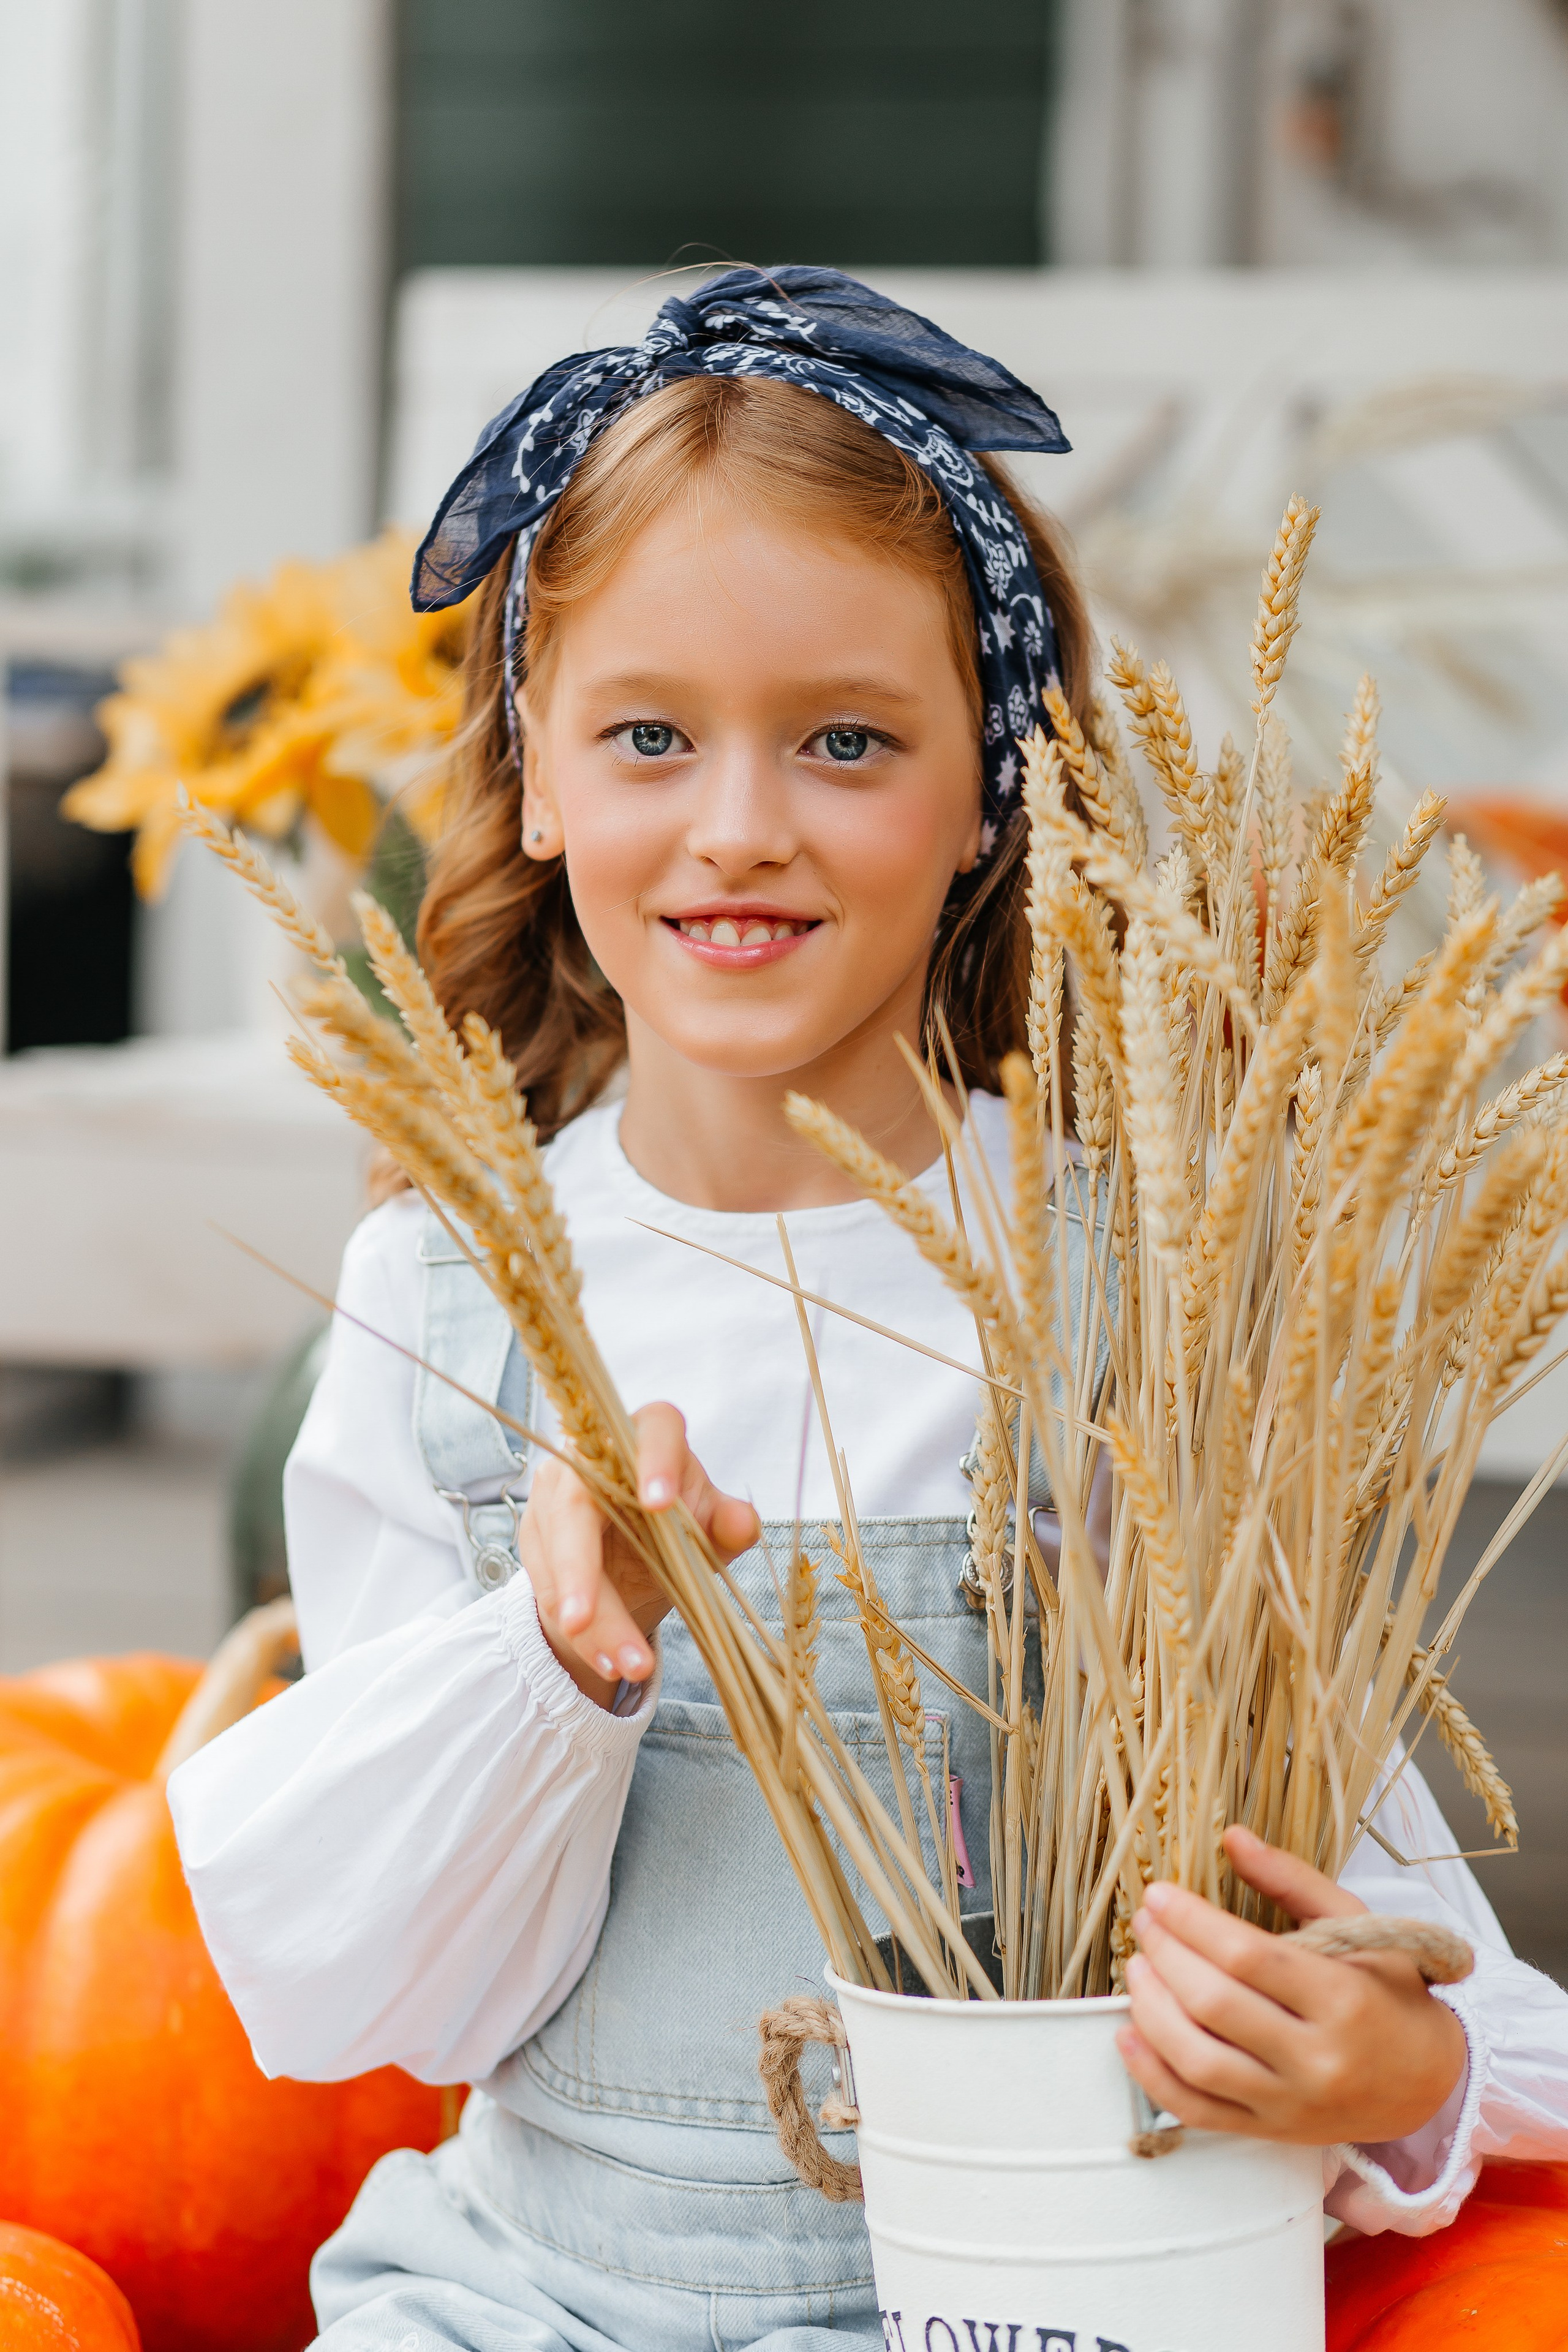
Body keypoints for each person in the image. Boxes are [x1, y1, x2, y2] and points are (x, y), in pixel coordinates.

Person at [168, 268, 1568, 2352]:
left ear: (998, 787)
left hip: (1014, 2304)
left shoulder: (1149, 1314)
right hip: (531, 2298)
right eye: (648, 735)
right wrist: (551, 1661)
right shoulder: (441, 1306)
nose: (740, 825)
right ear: (537, 777)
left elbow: (1401, 1937)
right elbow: (377, 2003)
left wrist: (1412, 2080)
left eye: (846, 739)